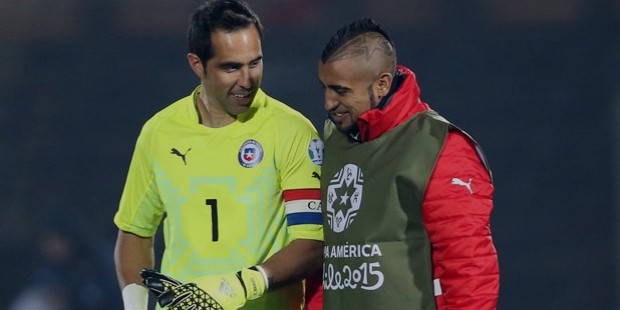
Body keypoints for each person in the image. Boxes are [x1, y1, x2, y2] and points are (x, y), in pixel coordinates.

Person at [113, 1, 324, 309]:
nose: (246, 79)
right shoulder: (160, 133)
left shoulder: (291, 131)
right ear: (197, 64)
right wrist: (135, 306)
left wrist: (243, 284)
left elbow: (312, 243)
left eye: (255, 63)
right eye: (231, 67)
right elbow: (135, 231)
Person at [317, 18, 499, 309]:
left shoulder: (439, 147)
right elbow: (325, 262)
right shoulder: (334, 140)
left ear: (382, 83)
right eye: (324, 88)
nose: (328, 103)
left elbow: (467, 265)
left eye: (340, 90)